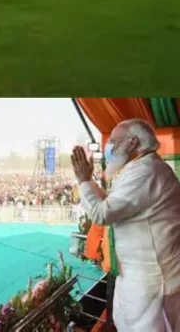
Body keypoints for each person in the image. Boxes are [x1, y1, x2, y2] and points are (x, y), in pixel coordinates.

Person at [72, 118, 180, 331]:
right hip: (137, 276)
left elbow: (102, 213)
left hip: (152, 281)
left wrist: (83, 180)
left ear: (132, 143)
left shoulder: (146, 172)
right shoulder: (140, 168)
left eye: (113, 140)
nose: (107, 147)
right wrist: (89, 181)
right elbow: (110, 203)